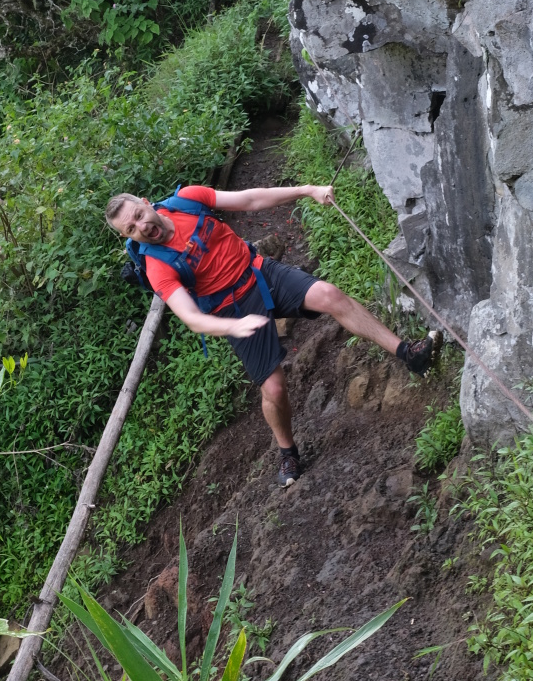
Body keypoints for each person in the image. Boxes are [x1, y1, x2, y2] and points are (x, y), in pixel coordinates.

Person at [105, 182, 437, 486]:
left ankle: (408, 354)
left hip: (259, 272)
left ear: (147, 204)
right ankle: (287, 452)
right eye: (131, 229)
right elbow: (192, 318)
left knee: (330, 295)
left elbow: (250, 199)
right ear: (128, 237)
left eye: (138, 215)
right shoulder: (157, 266)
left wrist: (307, 190)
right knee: (275, 388)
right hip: (231, 309)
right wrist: (232, 326)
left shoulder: (186, 200)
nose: (142, 227)